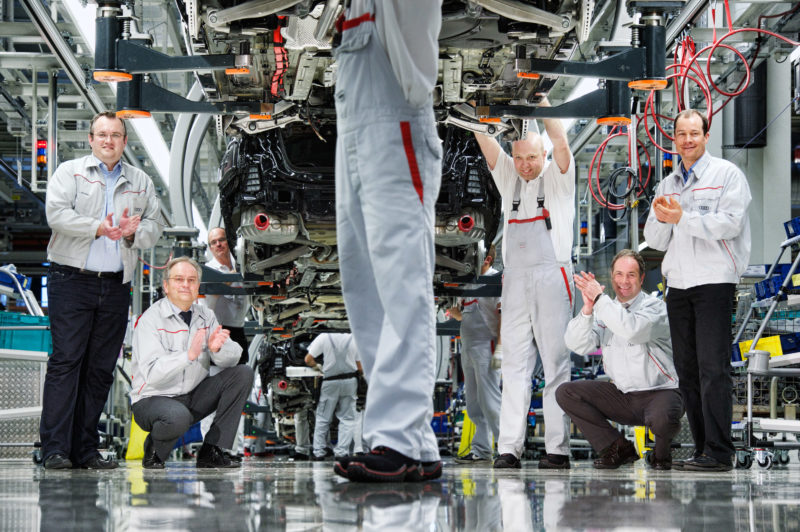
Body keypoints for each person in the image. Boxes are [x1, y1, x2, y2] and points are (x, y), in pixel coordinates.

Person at [332, 0, 443, 482]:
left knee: (401, 284)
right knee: (365, 289)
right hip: (352, 133)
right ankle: (405, 438)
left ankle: (399, 437)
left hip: (395, 122)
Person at [40, 111, 162, 470]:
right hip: (71, 280)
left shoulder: (141, 181)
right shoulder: (70, 172)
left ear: (125, 142)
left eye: (116, 135)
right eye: (102, 134)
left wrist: (129, 234)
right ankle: (55, 449)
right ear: (91, 139)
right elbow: (56, 214)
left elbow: (154, 226)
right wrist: (99, 228)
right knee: (66, 363)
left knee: (100, 369)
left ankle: (86, 450)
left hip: (115, 285)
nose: (109, 141)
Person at [643, 109, 751, 472]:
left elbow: (730, 225)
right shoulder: (668, 185)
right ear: (673, 139)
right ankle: (703, 449)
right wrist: (662, 218)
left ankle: (720, 451)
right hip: (678, 286)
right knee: (687, 371)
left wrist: (682, 218)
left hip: (714, 283)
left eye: (694, 133)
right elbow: (653, 239)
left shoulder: (726, 175)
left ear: (706, 136)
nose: (687, 140)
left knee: (713, 368)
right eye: (681, 134)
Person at [474, 98, 576, 469]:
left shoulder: (559, 177)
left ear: (543, 154)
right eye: (519, 158)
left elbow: (561, 140)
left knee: (555, 364)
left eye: (532, 157)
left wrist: (542, 103)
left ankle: (557, 450)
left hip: (553, 277)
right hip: (514, 281)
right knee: (515, 365)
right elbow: (487, 144)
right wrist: (472, 108)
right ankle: (508, 449)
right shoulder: (510, 181)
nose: (525, 165)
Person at [556, 249, 684, 470]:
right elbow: (577, 344)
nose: (624, 281)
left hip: (661, 393)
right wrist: (587, 309)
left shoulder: (656, 308)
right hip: (623, 397)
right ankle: (617, 447)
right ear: (612, 276)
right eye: (619, 274)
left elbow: (632, 329)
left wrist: (599, 299)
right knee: (566, 392)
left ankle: (661, 455)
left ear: (642, 278)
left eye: (631, 275)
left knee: (663, 417)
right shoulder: (605, 310)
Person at [130, 257, 254, 469]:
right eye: (179, 279)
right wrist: (187, 356)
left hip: (192, 396)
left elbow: (234, 356)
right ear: (166, 286)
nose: (186, 285)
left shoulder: (205, 315)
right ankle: (154, 450)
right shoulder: (151, 319)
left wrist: (218, 349)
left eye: (192, 280)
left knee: (243, 373)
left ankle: (211, 450)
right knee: (178, 417)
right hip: (152, 399)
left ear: (198, 286)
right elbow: (151, 374)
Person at [448, 245, 502, 464]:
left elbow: (502, 316)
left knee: (490, 401)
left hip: (486, 347)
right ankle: (481, 451)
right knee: (474, 404)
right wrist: (455, 313)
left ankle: (507, 449)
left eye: (474, 256)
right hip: (468, 347)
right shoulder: (469, 281)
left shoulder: (494, 281)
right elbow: (464, 316)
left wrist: (501, 347)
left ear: (487, 259)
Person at [200, 227, 250, 460]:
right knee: (213, 395)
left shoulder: (245, 266)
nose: (218, 245)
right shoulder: (208, 270)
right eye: (213, 242)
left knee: (236, 395)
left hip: (238, 332)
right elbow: (205, 307)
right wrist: (223, 285)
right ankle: (210, 447)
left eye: (222, 240)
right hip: (217, 333)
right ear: (209, 247)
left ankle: (232, 448)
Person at [304, 333, 363, 460]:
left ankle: (319, 452)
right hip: (350, 382)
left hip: (330, 382)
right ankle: (342, 453)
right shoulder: (354, 338)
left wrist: (318, 367)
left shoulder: (323, 337)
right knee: (347, 419)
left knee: (323, 418)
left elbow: (308, 359)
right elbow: (360, 367)